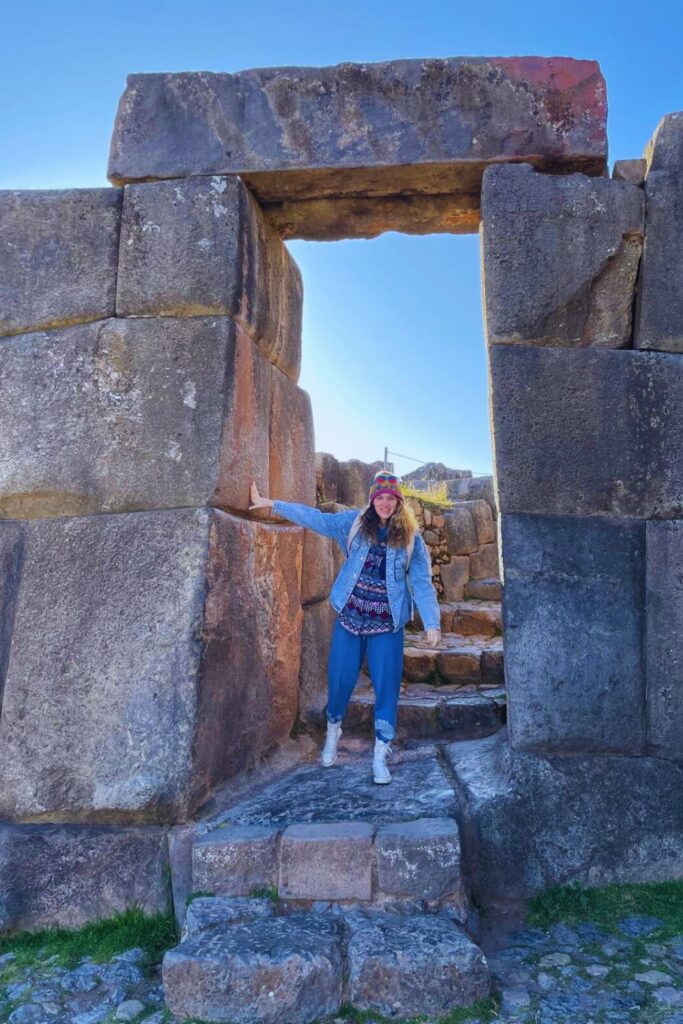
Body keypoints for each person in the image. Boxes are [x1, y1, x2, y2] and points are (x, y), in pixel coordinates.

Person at [249, 470, 441, 784]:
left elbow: (421, 582)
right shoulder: (352, 523)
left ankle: (381, 753)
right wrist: (271, 505)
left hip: (387, 626)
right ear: (372, 498)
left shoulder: (411, 539)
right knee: (338, 682)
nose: (384, 502)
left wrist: (431, 622)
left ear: (398, 501)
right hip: (350, 619)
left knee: (387, 689)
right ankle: (333, 730)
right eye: (380, 497)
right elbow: (316, 519)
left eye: (390, 498)